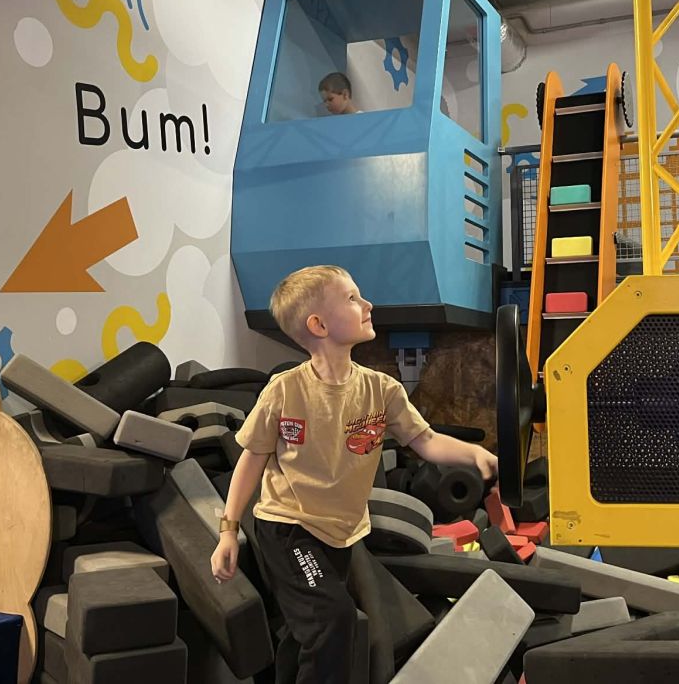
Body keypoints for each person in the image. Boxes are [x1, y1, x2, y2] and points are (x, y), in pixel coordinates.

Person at [210, 265, 497, 684]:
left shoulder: (382, 389)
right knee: (334, 617)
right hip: (288, 528)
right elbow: (251, 459)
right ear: (319, 325)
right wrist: (227, 531)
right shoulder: (284, 391)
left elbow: (426, 441)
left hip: (341, 532)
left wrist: (474, 453)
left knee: (305, 631)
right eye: (352, 298)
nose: (368, 304)